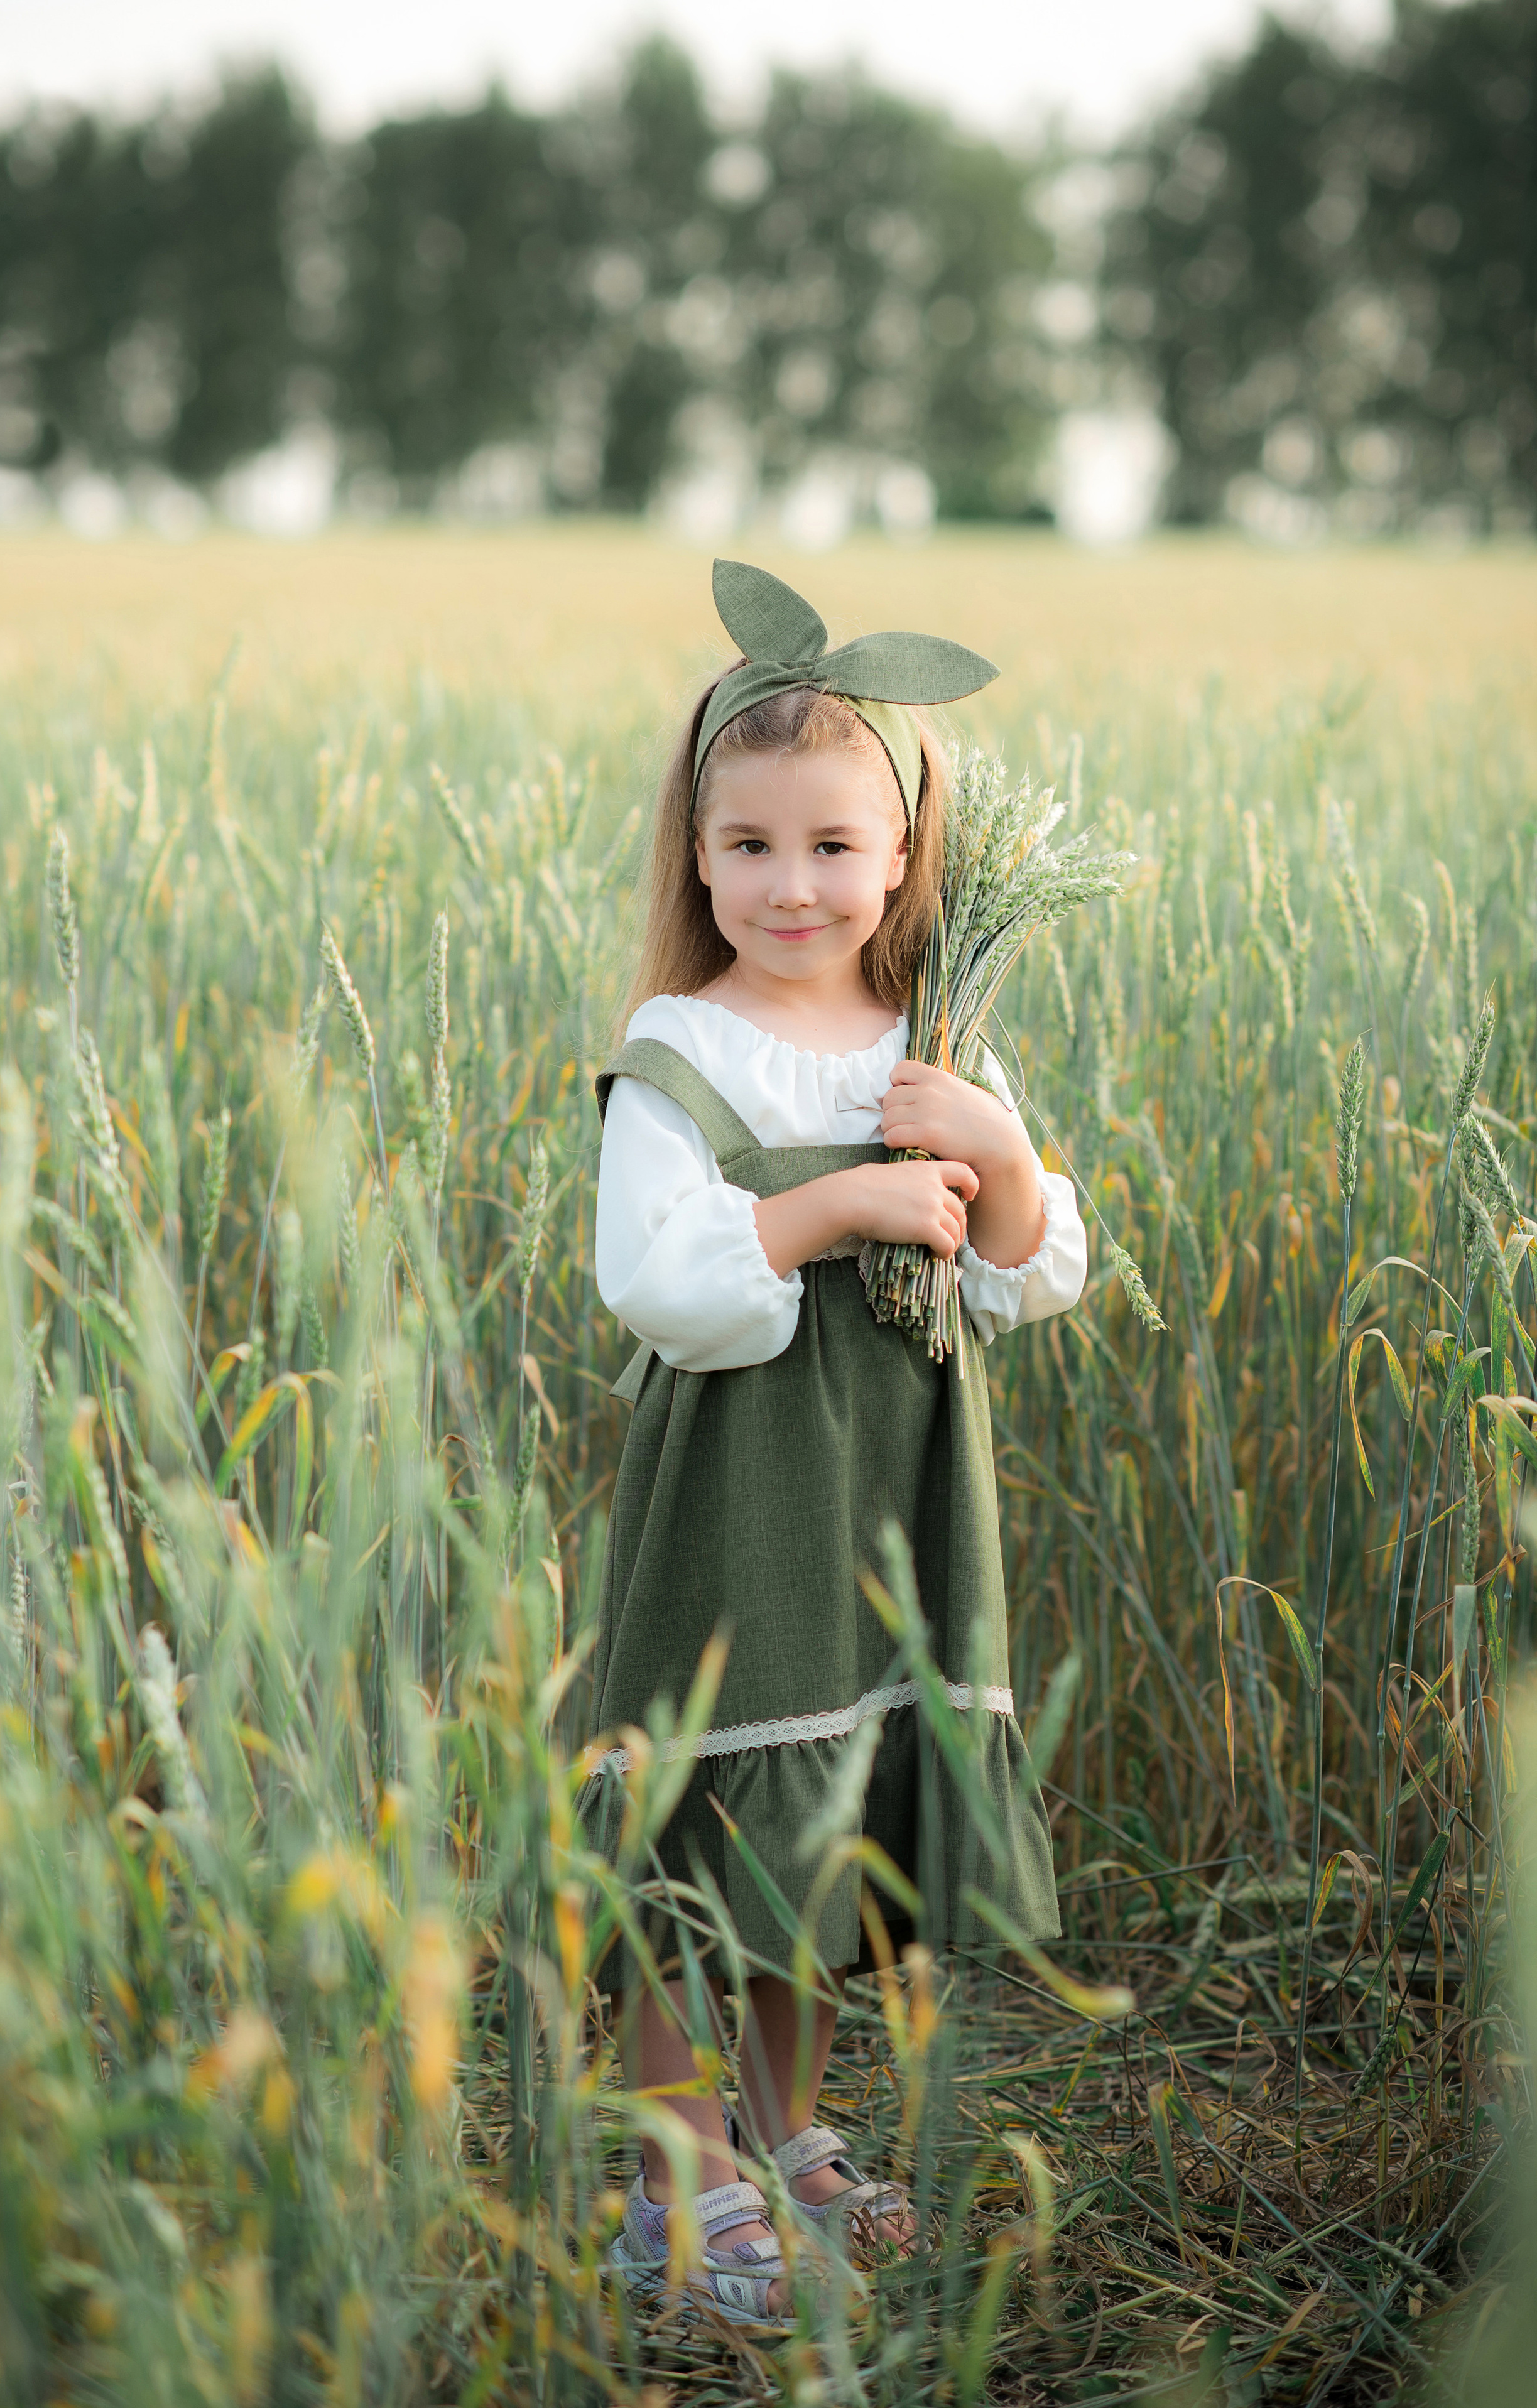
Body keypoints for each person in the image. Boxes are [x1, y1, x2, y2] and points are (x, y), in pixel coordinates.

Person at [582, 561, 1087, 2328]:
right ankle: (671, 2182)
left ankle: (781, 2139)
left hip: (890, 1504)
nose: (790, 885)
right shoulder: (683, 1047)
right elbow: (654, 1281)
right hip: (739, 1503)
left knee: (813, 1839)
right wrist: (841, 1204)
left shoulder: (932, 1043)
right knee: (702, 1838)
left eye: (831, 846)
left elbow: (1034, 1277)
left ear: (904, 855)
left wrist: (995, 1164)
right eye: (748, 846)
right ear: (698, 853)